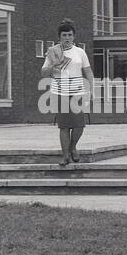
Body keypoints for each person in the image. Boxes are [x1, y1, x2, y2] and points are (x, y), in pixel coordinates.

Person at [42, 19, 93, 166]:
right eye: (64, 35)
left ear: (74, 36)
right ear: (59, 37)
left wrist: (91, 88)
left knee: (79, 125)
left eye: (70, 35)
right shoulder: (52, 52)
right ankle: (65, 156)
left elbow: (88, 71)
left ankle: (72, 148)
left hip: (77, 91)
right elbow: (43, 73)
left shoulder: (80, 52)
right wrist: (52, 65)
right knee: (64, 126)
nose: (67, 38)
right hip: (60, 92)